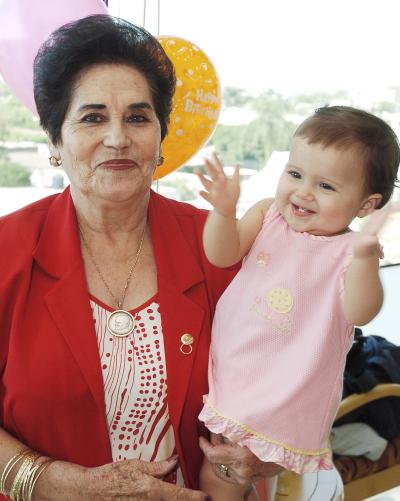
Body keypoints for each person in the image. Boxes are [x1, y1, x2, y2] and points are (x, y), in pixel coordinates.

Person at [0, 14, 280, 501]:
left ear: (160, 136)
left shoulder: (219, 245)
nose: (118, 137)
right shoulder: (6, 251)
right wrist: (56, 483)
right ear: (54, 139)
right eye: (92, 117)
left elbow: (284, 371)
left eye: (137, 116)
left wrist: (265, 449)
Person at [197, 106, 400, 500]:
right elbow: (221, 254)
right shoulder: (267, 215)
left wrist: (362, 257)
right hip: (238, 373)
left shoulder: (349, 253)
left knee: (223, 478)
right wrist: (223, 212)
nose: (304, 191)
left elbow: (361, 311)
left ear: (365, 205)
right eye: (295, 174)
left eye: (326, 186)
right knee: (239, 479)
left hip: (285, 392)